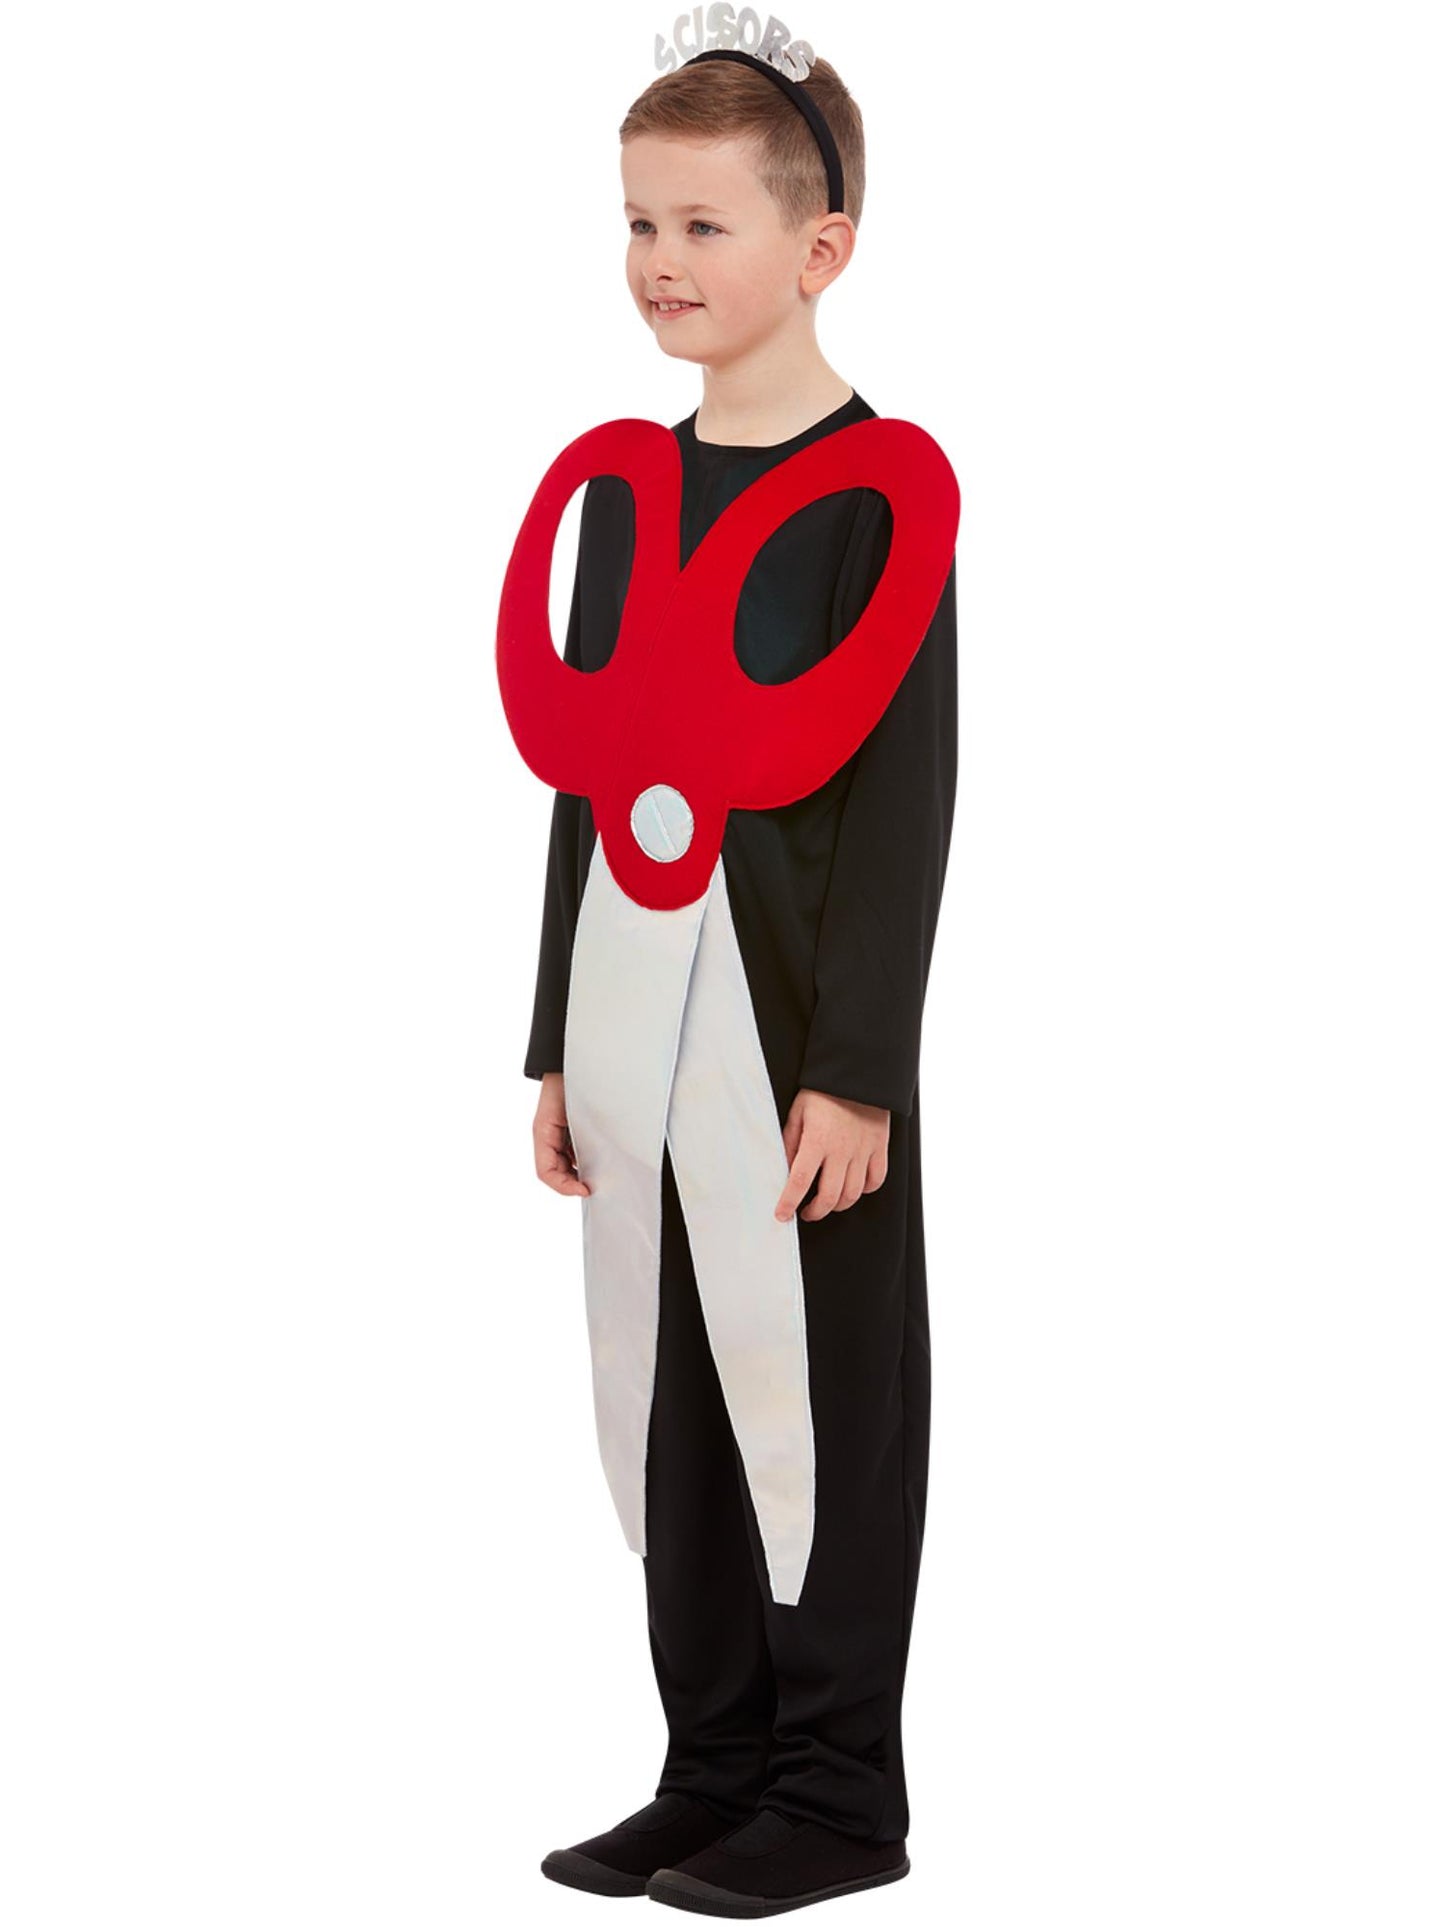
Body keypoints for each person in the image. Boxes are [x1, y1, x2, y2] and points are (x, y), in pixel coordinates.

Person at [506, 36, 958, 1918]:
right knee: (670, 1393)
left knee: (816, 1395)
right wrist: (554, 1039)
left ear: (819, 246)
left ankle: (839, 1793)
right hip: (634, 1017)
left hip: (791, 1047)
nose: (658, 261)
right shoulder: (627, 493)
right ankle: (708, 1772)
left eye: (702, 224)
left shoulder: (877, 497)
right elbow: (585, 768)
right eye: (638, 222)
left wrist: (857, 1069)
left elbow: (904, 799)